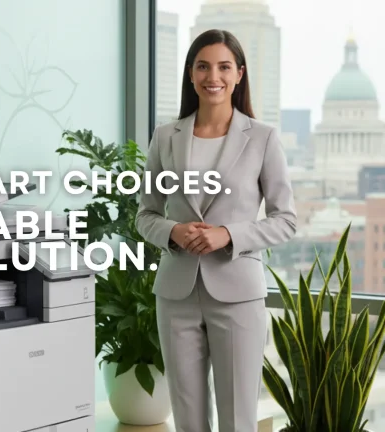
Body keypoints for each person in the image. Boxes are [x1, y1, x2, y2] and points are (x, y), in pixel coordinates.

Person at [135, 29, 297, 432]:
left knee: (238, 417)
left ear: (239, 74)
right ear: (191, 75)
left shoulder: (263, 139)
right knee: (188, 417)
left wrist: (229, 235)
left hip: (238, 295)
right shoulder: (165, 138)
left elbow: (286, 220)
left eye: (224, 66)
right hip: (176, 295)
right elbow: (145, 215)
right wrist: (173, 231)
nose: (214, 76)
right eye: (204, 66)